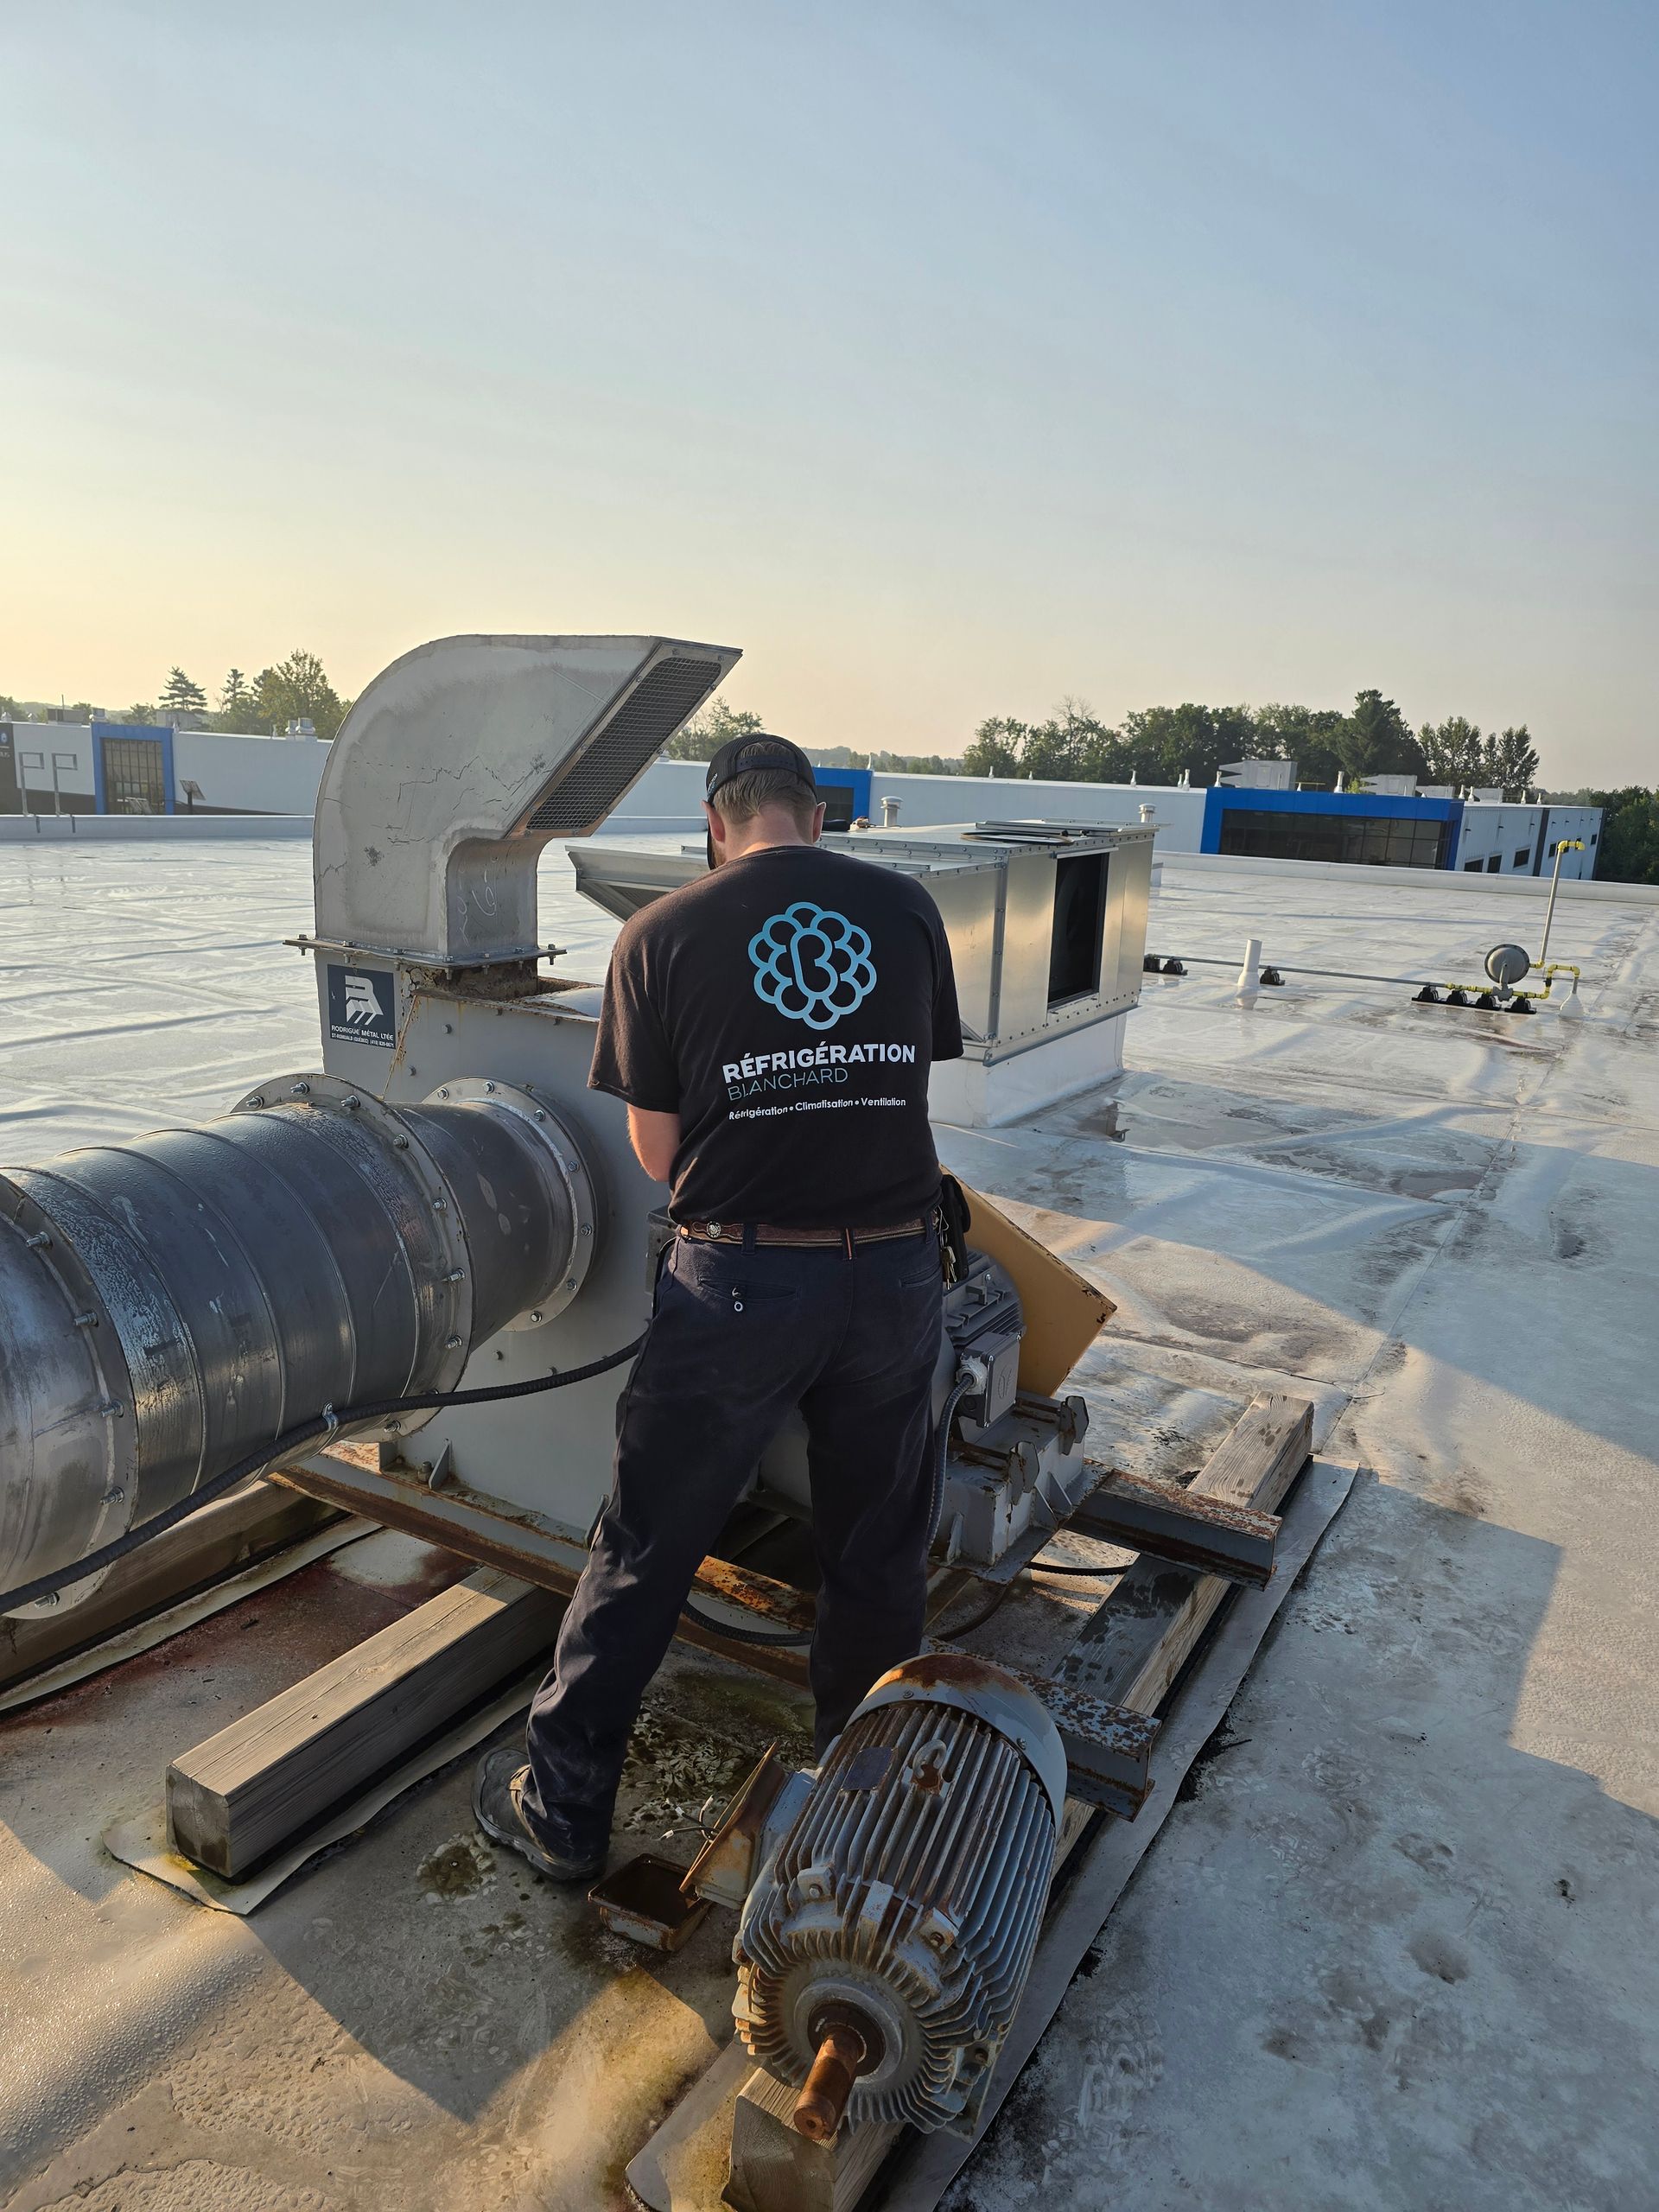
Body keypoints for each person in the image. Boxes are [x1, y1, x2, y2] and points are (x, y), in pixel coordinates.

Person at [474, 734, 963, 1879]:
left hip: (741, 1282)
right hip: (896, 1277)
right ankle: (867, 1814)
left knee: (649, 1548)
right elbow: (898, 1085)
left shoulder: (659, 936)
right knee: (878, 1557)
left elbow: (656, 1154)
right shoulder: (905, 912)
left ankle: (567, 1811)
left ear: (714, 824)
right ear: (818, 817)